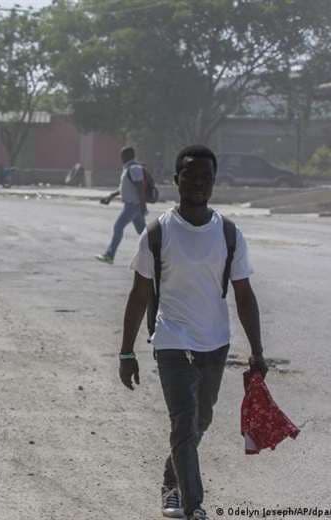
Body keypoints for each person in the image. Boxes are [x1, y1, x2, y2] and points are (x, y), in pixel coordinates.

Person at [117, 145, 268, 520]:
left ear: (214, 183)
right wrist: (126, 352)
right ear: (176, 180)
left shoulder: (229, 233)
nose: (199, 182)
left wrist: (258, 350)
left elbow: (244, 295)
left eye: (206, 177)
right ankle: (192, 504)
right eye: (191, 175)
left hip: (215, 342)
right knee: (184, 422)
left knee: (201, 420)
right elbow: (139, 295)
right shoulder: (157, 232)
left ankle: (172, 478)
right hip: (171, 340)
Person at [95, 146, 147, 264]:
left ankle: (109, 255)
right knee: (144, 233)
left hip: (133, 206)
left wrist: (143, 206)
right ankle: (162, 253)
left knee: (118, 227)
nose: (121, 158)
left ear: (127, 156)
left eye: (122, 155)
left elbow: (140, 187)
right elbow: (123, 188)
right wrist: (110, 197)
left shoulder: (134, 168)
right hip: (134, 206)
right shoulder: (129, 169)